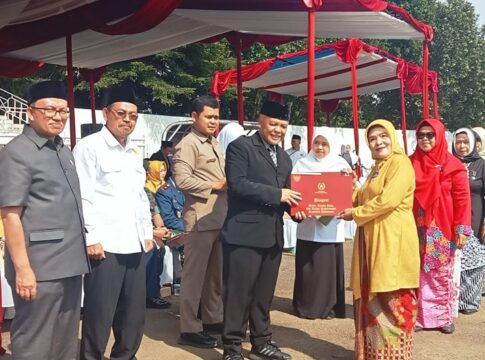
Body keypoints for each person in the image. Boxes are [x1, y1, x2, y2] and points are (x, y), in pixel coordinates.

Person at [0, 80, 90, 360]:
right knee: (35, 342)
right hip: (40, 266)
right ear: (30, 111)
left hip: (70, 263)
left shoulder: (61, 149)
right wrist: (23, 269)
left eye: (64, 111)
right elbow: (10, 215)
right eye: (50, 109)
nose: (58, 116)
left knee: (64, 340)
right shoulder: (18, 152)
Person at [74, 84, 154, 360]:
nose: (127, 120)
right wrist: (91, 237)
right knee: (99, 315)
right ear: (106, 113)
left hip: (135, 244)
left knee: (132, 316)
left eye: (133, 116)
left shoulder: (133, 151)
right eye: (121, 113)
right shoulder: (89, 147)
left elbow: (140, 195)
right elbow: (83, 196)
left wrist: (147, 232)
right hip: (105, 246)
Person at [221, 100, 302, 360]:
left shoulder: (285, 159)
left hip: (272, 236)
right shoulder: (241, 147)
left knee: (263, 295)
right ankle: (232, 348)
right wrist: (279, 194)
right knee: (238, 294)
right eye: (274, 124)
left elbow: (288, 197)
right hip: (243, 234)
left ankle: (261, 341)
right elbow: (237, 184)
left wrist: (297, 211)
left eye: (283, 126)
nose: (278, 130)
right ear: (260, 121)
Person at [337, 119, 420, 359]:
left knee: (391, 296)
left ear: (392, 137)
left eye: (383, 136)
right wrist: (351, 183)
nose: (378, 142)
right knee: (372, 296)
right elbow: (362, 198)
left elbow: (388, 200)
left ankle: (393, 355)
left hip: (392, 240)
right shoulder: (377, 167)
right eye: (372, 139)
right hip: (372, 240)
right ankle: (373, 354)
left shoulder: (400, 163)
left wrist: (355, 213)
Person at [172, 95, 227, 348]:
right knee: (194, 277)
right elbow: (182, 180)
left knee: (214, 275)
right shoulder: (188, 144)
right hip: (199, 220)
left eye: (216, 117)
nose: (214, 121)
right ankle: (190, 328)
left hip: (218, 218)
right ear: (194, 117)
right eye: (209, 116)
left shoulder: (213, 143)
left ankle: (212, 318)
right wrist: (214, 185)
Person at [409, 118, 472, 334]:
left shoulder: (453, 165)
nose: (425, 139)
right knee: (417, 272)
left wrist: (462, 228)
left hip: (442, 228)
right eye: (421, 135)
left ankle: (443, 318)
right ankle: (419, 317)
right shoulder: (410, 163)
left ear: (439, 136)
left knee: (441, 273)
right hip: (415, 226)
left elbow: (463, 198)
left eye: (430, 135)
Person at [292, 129, 350, 320]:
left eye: (324, 144)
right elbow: (296, 191)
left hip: (331, 224)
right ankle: (305, 305)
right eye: (317, 143)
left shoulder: (340, 164)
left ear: (331, 145)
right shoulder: (302, 163)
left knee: (326, 268)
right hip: (307, 224)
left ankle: (329, 308)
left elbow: (346, 192)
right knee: (308, 267)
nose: (320, 148)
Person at [451, 128, 485, 313]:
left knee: (473, 263)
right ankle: (454, 300)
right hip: (452, 220)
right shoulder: (449, 163)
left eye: (465, 142)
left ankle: (470, 302)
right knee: (456, 261)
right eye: (458, 142)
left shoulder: (481, 165)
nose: (462, 146)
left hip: (475, 219)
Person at [144, 159, 172, 309]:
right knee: (152, 249)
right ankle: (150, 294)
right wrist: (153, 232)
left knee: (161, 247)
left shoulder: (145, 192)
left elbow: (157, 216)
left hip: (150, 231)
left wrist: (161, 230)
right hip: (133, 234)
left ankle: (156, 291)